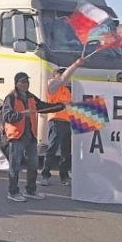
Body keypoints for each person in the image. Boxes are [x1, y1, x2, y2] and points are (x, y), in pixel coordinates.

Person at [2, 71, 65, 202]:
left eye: (27, 82)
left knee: (33, 165)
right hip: (16, 136)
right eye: (23, 82)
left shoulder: (31, 97)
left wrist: (59, 106)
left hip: (30, 136)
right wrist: (22, 114)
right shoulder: (11, 98)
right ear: (16, 83)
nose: (26, 84)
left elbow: (43, 107)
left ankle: (30, 190)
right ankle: (12, 192)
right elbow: (6, 117)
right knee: (15, 166)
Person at [41, 58, 84, 186]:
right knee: (52, 149)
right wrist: (75, 64)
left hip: (68, 122)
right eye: (60, 74)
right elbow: (62, 80)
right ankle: (45, 175)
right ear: (55, 76)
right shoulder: (52, 87)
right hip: (56, 122)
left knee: (66, 150)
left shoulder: (68, 91)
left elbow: (71, 105)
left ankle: (64, 176)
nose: (64, 77)